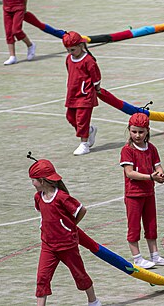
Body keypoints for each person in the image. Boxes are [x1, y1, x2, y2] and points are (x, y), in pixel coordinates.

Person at [28, 158, 101, 306]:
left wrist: (70, 226)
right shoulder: (38, 197)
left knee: (80, 275)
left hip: (67, 245)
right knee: (42, 278)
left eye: (34, 180)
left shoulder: (61, 197)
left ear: (42, 181)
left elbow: (81, 210)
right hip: (48, 246)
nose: (32, 183)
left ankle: (93, 301)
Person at [120, 113, 164, 268]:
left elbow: (157, 165)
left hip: (149, 193)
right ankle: (137, 258)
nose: (137, 135)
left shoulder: (152, 148)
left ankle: (155, 255)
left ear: (147, 131)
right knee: (134, 226)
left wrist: (160, 174)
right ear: (129, 130)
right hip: (133, 195)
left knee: (151, 225)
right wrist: (151, 177)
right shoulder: (127, 150)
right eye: (134, 131)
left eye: (141, 132)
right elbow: (129, 173)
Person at [62, 31, 100, 155]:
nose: (70, 53)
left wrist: (96, 88)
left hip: (85, 95)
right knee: (70, 117)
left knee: (82, 119)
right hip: (72, 94)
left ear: (80, 46)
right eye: (68, 50)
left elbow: (96, 77)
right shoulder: (69, 59)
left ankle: (84, 143)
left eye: (72, 49)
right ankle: (89, 130)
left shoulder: (88, 60)